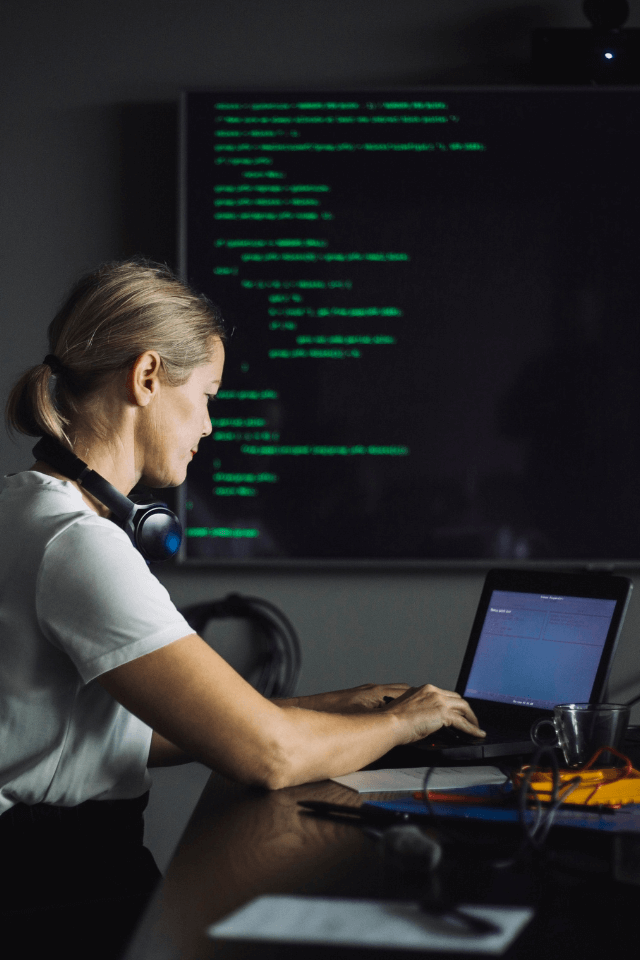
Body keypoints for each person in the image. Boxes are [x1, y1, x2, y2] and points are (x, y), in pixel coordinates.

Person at [0, 259, 484, 958]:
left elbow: (112, 736)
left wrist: (341, 707)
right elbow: (268, 756)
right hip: (55, 890)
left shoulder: (25, 506)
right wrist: (406, 721)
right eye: (206, 395)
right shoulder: (78, 545)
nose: (210, 425)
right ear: (146, 378)